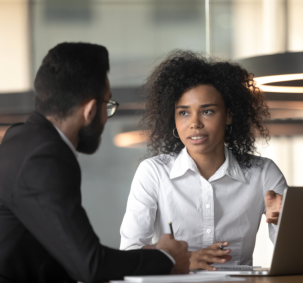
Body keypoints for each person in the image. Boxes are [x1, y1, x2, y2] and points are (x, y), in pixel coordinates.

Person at [0, 43, 191, 283]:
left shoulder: (21, 139)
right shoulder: (44, 158)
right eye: (107, 105)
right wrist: (167, 259)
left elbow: (66, 255)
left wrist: (150, 256)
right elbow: (90, 265)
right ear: (90, 110)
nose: (105, 117)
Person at [120, 50, 287, 271]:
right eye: (184, 113)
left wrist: (285, 222)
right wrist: (182, 260)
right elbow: (130, 253)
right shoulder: (153, 173)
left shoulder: (263, 173)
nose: (195, 123)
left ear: (229, 115)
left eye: (207, 111)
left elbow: (293, 255)